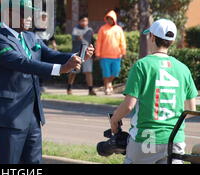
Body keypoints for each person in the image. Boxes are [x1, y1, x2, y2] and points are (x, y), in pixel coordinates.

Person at [0, 0, 94, 164]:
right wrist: (61, 69)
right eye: (24, 13)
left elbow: (50, 54)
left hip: (32, 116)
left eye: (30, 13)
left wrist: (76, 56)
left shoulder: (29, 36)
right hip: (9, 119)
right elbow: (23, 63)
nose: (29, 17)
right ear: (8, 13)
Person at [109, 19, 198, 164]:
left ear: (152, 37)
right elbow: (191, 109)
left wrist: (114, 120)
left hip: (146, 139)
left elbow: (129, 105)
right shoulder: (183, 69)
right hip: (175, 140)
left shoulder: (142, 65)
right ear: (172, 41)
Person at [96, 10, 127, 95]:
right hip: (104, 55)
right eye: (108, 19)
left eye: (111, 19)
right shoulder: (102, 29)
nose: (110, 20)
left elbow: (122, 42)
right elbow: (99, 42)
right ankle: (107, 87)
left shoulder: (119, 29)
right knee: (106, 73)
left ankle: (109, 83)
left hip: (116, 56)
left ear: (114, 19)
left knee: (116, 72)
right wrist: (97, 53)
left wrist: (123, 52)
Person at [67, 15, 96, 96]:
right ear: (79, 21)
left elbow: (92, 41)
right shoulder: (75, 30)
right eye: (83, 21)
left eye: (86, 21)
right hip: (77, 54)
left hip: (87, 54)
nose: (84, 22)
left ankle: (90, 90)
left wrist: (94, 53)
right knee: (73, 72)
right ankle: (69, 88)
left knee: (88, 72)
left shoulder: (90, 30)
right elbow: (75, 39)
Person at [33, 11, 58, 93]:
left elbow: (52, 39)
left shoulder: (49, 30)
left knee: (45, 67)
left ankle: (42, 84)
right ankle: (38, 84)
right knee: (38, 67)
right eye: (42, 18)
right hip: (37, 52)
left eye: (45, 18)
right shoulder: (36, 29)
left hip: (46, 52)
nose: (44, 19)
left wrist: (55, 47)